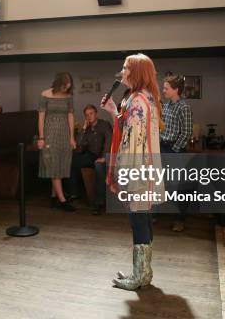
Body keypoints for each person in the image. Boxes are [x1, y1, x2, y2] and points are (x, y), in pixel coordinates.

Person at [102, 53, 165, 291]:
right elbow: (127, 128)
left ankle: (139, 276)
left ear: (136, 72)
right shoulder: (142, 97)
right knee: (143, 218)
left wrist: (122, 172)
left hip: (138, 169)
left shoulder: (137, 101)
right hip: (145, 168)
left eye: (126, 68)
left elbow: (131, 141)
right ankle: (143, 272)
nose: (122, 72)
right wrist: (112, 110)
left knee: (138, 219)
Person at [37, 72, 77, 212]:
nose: (66, 89)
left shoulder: (69, 97)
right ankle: (62, 201)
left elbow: (71, 116)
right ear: (59, 83)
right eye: (65, 86)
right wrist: (41, 138)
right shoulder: (45, 94)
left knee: (61, 164)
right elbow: (41, 117)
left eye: (68, 87)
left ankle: (53, 197)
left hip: (64, 134)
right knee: (53, 166)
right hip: (49, 134)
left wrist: (72, 137)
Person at [160, 74, 193, 232]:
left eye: (166, 88)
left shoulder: (184, 107)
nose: (163, 90)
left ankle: (180, 219)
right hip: (162, 147)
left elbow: (186, 132)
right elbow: (163, 127)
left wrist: (174, 149)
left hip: (175, 150)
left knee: (176, 188)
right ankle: (160, 213)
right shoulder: (166, 105)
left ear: (176, 90)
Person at [70, 104, 112, 215]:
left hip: (104, 156)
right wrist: (83, 129)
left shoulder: (104, 125)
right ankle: (74, 194)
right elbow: (78, 144)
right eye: (87, 115)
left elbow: (109, 141)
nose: (89, 116)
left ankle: (98, 203)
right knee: (72, 161)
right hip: (91, 155)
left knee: (98, 167)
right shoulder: (87, 128)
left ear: (96, 114)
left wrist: (104, 157)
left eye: (91, 113)